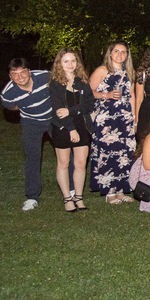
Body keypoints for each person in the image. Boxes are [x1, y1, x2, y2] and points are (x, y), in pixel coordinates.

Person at [89, 41, 137, 204]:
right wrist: (106, 95)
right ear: (110, 53)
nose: (119, 54)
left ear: (127, 55)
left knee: (124, 154)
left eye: (123, 52)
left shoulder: (129, 72)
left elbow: (132, 96)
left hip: (124, 119)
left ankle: (121, 190)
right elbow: (89, 93)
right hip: (106, 119)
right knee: (109, 153)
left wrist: (134, 119)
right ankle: (110, 191)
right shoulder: (102, 70)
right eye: (116, 51)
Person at [1, 59, 53, 211]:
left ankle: (71, 190)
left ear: (29, 71)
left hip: (53, 119)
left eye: (23, 72)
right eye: (15, 74)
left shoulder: (45, 76)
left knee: (65, 152)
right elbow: (12, 107)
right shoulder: (7, 94)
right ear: (10, 76)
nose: (20, 77)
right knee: (32, 157)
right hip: (31, 124)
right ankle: (32, 197)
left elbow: (61, 86)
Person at [49, 48, 95, 212]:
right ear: (59, 64)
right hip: (63, 127)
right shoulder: (55, 84)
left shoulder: (82, 82)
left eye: (73, 61)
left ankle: (79, 197)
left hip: (82, 126)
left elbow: (90, 104)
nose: (70, 64)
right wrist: (71, 128)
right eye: (66, 61)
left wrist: (72, 110)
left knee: (81, 163)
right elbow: (59, 110)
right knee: (63, 163)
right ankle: (67, 198)